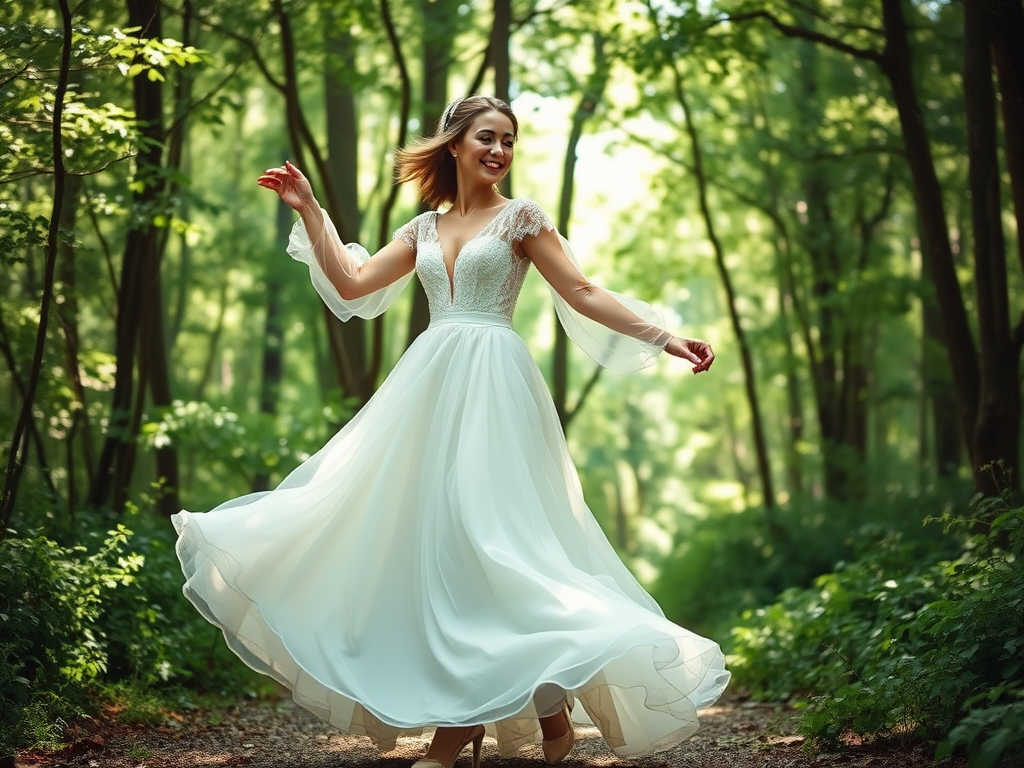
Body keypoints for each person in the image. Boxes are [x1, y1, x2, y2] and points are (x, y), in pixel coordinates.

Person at [172, 95, 729, 768]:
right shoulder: (422, 230)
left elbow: (580, 292)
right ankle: (528, 715)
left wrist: (666, 337)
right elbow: (351, 286)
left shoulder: (522, 219)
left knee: (492, 541)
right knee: (437, 539)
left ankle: (475, 725)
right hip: (430, 387)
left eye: (508, 141)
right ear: (455, 145)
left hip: (496, 386)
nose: (498, 150)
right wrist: (312, 210)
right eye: (486, 138)